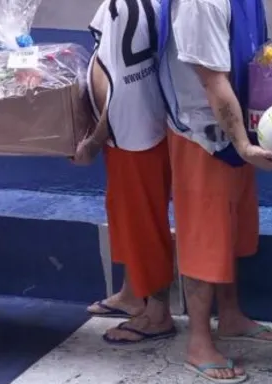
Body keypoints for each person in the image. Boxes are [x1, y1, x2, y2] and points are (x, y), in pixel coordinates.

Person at [156, 0, 272, 384]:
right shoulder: (200, 4)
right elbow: (213, 81)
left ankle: (230, 315)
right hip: (203, 135)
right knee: (205, 237)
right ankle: (199, 341)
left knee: (231, 228)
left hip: (235, 129)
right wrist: (243, 145)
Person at [75, 0, 178, 345]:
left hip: (134, 131)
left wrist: (94, 140)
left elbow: (122, 86)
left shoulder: (128, 6)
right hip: (134, 127)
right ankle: (133, 292)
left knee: (142, 221)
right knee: (123, 210)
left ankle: (157, 313)